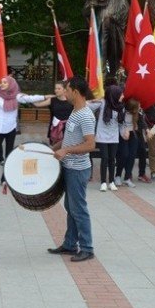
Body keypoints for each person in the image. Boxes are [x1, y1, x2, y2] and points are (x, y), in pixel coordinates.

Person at [47, 76, 97, 262]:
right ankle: (70, 244)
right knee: (71, 207)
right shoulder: (75, 111)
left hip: (78, 169)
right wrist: (54, 148)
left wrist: (66, 150)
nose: (64, 92)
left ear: (75, 92)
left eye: (67, 90)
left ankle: (87, 248)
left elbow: (91, 144)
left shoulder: (85, 114)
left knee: (78, 209)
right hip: (69, 166)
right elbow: (69, 137)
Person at [0, 76, 46, 187]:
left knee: (9, 154)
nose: (3, 84)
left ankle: (6, 178)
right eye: (2, 82)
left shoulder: (16, 96)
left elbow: (30, 98)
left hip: (11, 129)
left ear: (11, 84)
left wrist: (45, 96)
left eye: (5, 82)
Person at [83, 0, 129, 72]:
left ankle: (116, 74)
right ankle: (100, 74)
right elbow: (85, 12)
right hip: (100, 25)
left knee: (116, 50)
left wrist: (115, 17)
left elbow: (125, 8)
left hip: (115, 24)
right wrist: (91, 6)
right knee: (100, 50)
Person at [94, 85, 123, 191]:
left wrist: (124, 132)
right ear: (113, 95)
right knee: (105, 158)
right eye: (120, 94)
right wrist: (94, 100)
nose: (122, 96)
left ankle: (111, 181)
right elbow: (87, 105)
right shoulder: (102, 103)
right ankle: (103, 182)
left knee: (112, 159)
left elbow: (121, 123)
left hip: (114, 137)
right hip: (102, 136)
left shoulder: (120, 106)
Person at [33, 81, 73, 147]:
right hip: (55, 129)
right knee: (54, 150)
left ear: (65, 90)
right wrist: (27, 98)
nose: (56, 90)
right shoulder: (52, 100)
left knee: (66, 150)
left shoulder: (71, 100)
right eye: (55, 88)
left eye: (59, 89)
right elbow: (37, 104)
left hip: (68, 129)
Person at [116, 98, 141, 187]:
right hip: (123, 134)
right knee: (124, 154)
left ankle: (127, 178)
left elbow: (142, 121)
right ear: (131, 108)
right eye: (136, 108)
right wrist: (124, 130)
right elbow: (119, 122)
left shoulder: (137, 112)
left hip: (132, 134)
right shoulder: (122, 111)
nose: (138, 109)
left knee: (132, 155)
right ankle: (118, 176)